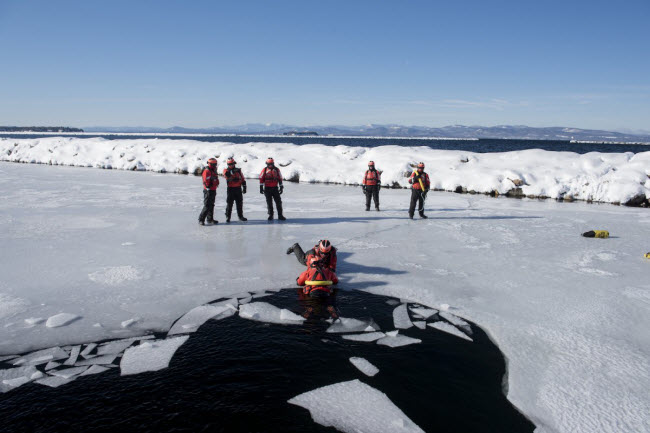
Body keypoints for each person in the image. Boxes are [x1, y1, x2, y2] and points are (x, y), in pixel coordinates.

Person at [223, 158, 247, 223]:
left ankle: (240, 216)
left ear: (234, 163)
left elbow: (242, 178)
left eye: (232, 164)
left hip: (238, 189)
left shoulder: (238, 171)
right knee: (229, 203)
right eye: (229, 164)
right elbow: (227, 176)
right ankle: (228, 217)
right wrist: (232, 171)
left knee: (239, 203)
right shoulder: (226, 170)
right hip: (231, 189)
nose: (231, 165)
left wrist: (244, 187)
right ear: (228, 164)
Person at [198, 158, 219, 225]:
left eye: (216, 164)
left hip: (213, 189)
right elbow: (206, 181)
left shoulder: (214, 170)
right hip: (208, 190)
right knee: (207, 205)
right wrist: (208, 186)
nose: (215, 165)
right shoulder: (207, 171)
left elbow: (216, 178)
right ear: (210, 164)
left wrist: (216, 183)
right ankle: (201, 219)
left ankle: (210, 219)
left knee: (211, 205)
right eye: (214, 164)